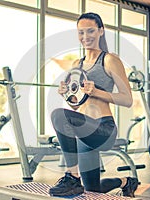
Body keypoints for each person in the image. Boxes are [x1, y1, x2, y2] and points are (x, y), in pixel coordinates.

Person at [49, 12, 139, 197]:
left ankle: (72, 176)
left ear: (101, 31)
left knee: (58, 114)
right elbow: (77, 106)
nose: (85, 36)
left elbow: (127, 99)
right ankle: (126, 182)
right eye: (81, 32)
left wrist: (96, 91)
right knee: (91, 190)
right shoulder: (77, 63)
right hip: (84, 132)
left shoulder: (109, 60)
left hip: (103, 130)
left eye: (90, 31)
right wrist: (67, 94)